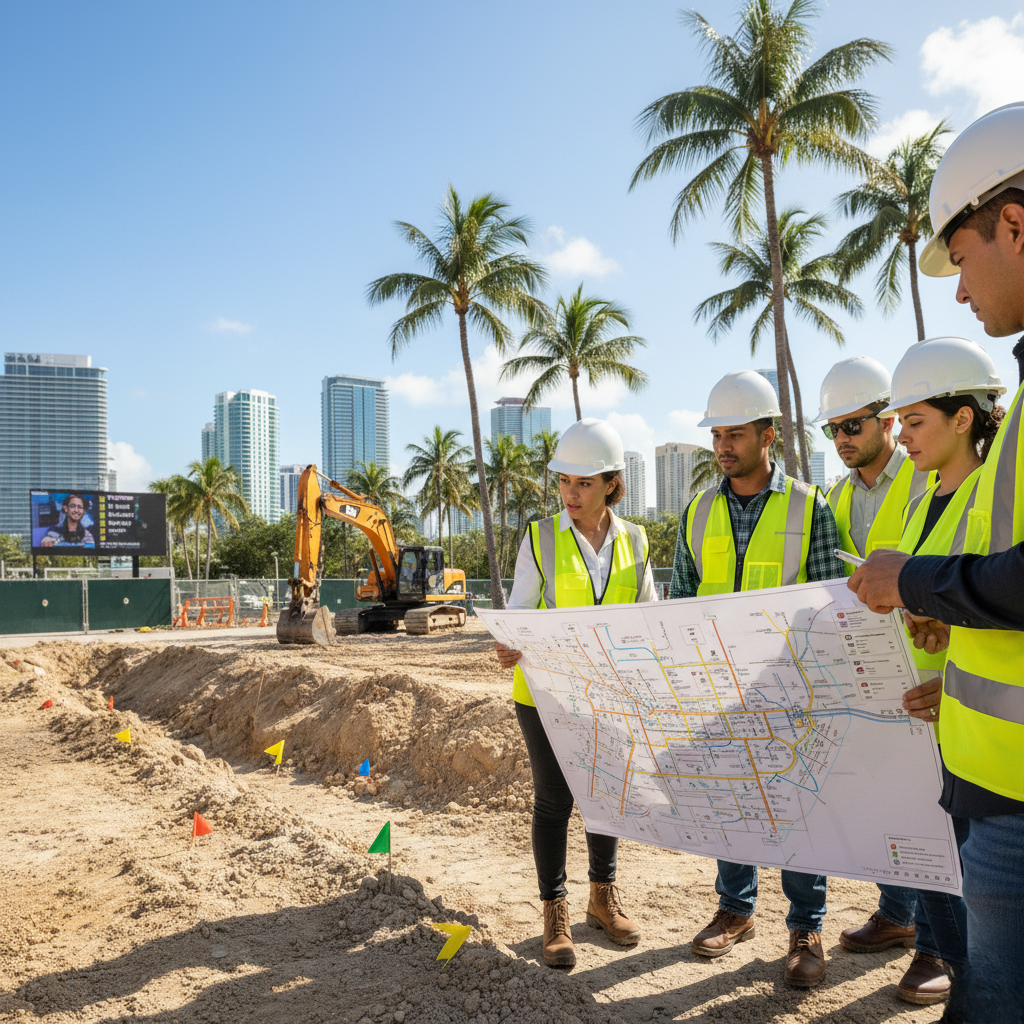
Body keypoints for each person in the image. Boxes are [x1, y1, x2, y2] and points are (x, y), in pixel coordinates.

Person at [850, 103, 1024, 1024]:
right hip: (982, 770)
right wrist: (946, 658)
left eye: (960, 258)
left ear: (1014, 225)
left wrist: (911, 583)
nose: (958, 292)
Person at [668, 370, 845, 988]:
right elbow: (681, 601)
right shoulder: (697, 510)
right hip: (720, 689)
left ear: (768, 436)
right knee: (730, 804)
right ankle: (735, 909)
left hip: (791, 689)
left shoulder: (809, 506)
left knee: (795, 809)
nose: (723, 446)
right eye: (717, 435)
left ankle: (805, 928)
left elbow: (829, 603)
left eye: (735, 434)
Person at [845, 337, 1006, 1007]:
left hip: (969, 722)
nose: (902, 436)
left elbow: (995, 599)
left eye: (914, 421)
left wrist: (954, 678)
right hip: (911, 713)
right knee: (926, 858)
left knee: (968, 878)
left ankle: (950, 966)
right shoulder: (918, 503)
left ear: (963, 418)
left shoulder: (993, 500)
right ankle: (935, 952)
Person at [492, 418, 657, 969]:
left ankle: (602, 899)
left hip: (609, 695)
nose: (570, 493)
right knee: (554, 801)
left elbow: (647, 615)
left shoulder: (636, 539)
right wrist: (509, 642)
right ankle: (555, 911)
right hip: (545, 696)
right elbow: (519, 612)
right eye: (564, 481)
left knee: (604, 797)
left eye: (584, 483)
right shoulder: (539, 537)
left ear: (611, 483)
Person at [816, 357, 940, 965]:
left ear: (886, 421)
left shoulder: (924, 476)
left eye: (853, 425)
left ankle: (939, 948)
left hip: (930, 660)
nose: (842, 439)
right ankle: (897, 915)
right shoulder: (835, 496)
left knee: (937, 808)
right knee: (892, 798)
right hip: (870, 666)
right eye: (832, 429)